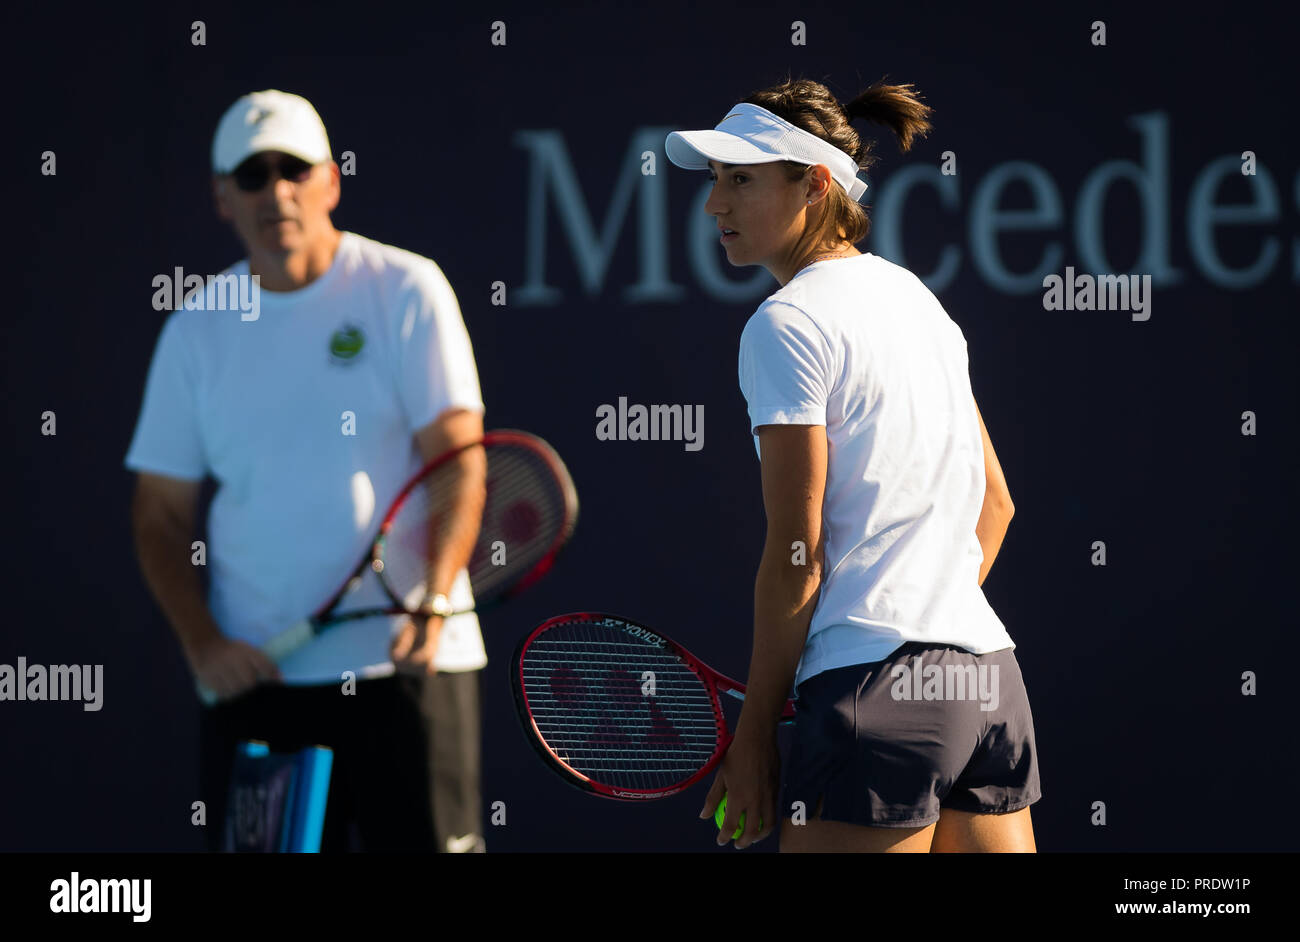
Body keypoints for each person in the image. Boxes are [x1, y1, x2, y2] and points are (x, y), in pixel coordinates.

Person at [665, 76, 1041, 852]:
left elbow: (797, 555)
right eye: (714, 181)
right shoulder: (921, 303)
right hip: (988, 685)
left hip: (875, 704)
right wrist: (919, 629)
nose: (715, 205)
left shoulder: (786, 322)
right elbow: (995, 508)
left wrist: (758, 734)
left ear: (816, 184)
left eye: (742, 179)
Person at [126, 89, 487, 853]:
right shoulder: (196, 328)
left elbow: (459, 462)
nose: (276, 191)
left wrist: (432, 591)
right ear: (223, 198)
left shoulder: (406, 289)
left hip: (409, 669)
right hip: (259, 686)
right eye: (252, 175)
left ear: (330, 179)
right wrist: (203, 644)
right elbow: (158, 513)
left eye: (293, 168)